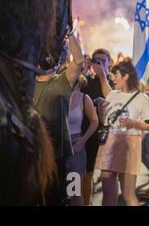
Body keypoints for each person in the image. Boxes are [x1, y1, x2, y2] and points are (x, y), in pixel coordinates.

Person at [33, 34, 84, 206]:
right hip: (33, 155)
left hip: (56, 156)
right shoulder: (27, 83)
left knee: (57, 199)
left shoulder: (60, 83)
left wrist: (69, 35)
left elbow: (78, 61)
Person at [95, 58, 149, 206]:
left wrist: (133, 123)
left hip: (130, 145)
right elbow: (106, 122)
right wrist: (102, 113)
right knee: (107, 193)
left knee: (128, 195)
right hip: (109, 144)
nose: (113, 79)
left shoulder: (142, 98)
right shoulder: (112, 95)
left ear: (126, 76)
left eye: (116, 75)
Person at [80, 48, 114, 205]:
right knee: (87, 174)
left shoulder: (114, 81)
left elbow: (113, 99)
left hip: (109, 136)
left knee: (110, 177)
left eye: (102, 61)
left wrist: (102, 76)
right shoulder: (88, 82)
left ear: (110, 62)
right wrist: (85, 69)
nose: (99, 64)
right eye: (96, 61)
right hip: (89, 134)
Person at [66, 75, 99, 206]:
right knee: (57, 191)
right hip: (58, 146)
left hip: (75, 147)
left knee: (74, 191)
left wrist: (82, 141)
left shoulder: (84, 99)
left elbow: (95, 121)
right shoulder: (58, 96)